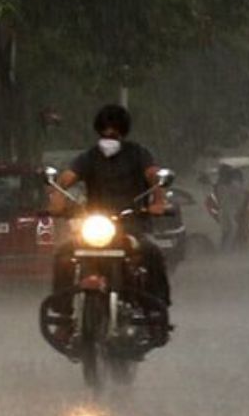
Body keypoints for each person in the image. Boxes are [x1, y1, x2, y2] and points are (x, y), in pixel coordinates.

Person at [49, 104, 173, 336]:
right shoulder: (89, 157)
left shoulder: (138, 153)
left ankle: (156, 312)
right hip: (95, 225)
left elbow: (154, 177)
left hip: (131, 224)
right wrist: (57, 199)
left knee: (152, 252)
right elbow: (66, 179)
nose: (109, 133)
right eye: (105, 129)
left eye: (114, 129)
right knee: (64, 254)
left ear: (123, 131)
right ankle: (64, 316)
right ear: (98, 130)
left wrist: (158, 202)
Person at [214, 164, 249, 251]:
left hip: (229, 210)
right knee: (231, 229)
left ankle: (227, 248)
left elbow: (242, 196)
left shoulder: (223, 184)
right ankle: (227, 249)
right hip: (229, 210)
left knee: (229, 229)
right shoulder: (227, 185)